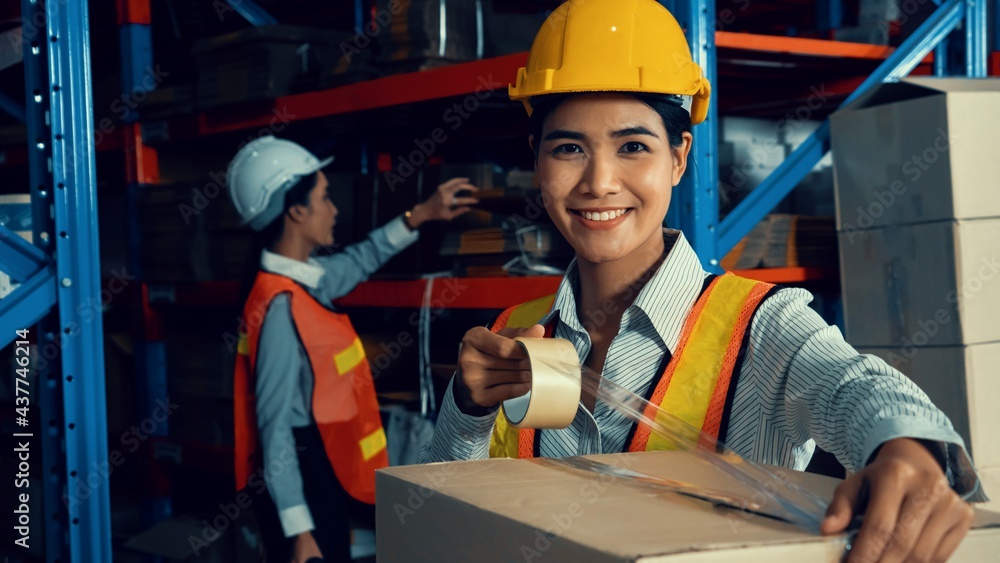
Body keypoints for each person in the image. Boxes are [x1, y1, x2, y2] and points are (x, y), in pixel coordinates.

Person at [422, 1, 985, 562]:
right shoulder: (512, 335)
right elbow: (438, 517)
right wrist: (467, 408)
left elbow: (856, 388)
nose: (598, 182)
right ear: (538, 161)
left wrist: (909, 450)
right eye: (569, 148)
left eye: (632, 147)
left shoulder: (762, 326)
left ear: (678, 158)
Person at [228, 136, 478, 562]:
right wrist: (299, 532)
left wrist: (423, 213)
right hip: (300, 477)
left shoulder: (304, 279)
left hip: (321, 467)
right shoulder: (280, 307)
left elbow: (359, 260)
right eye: (324, 197)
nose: (335, 208)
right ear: (296, 210)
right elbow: (274, 430)